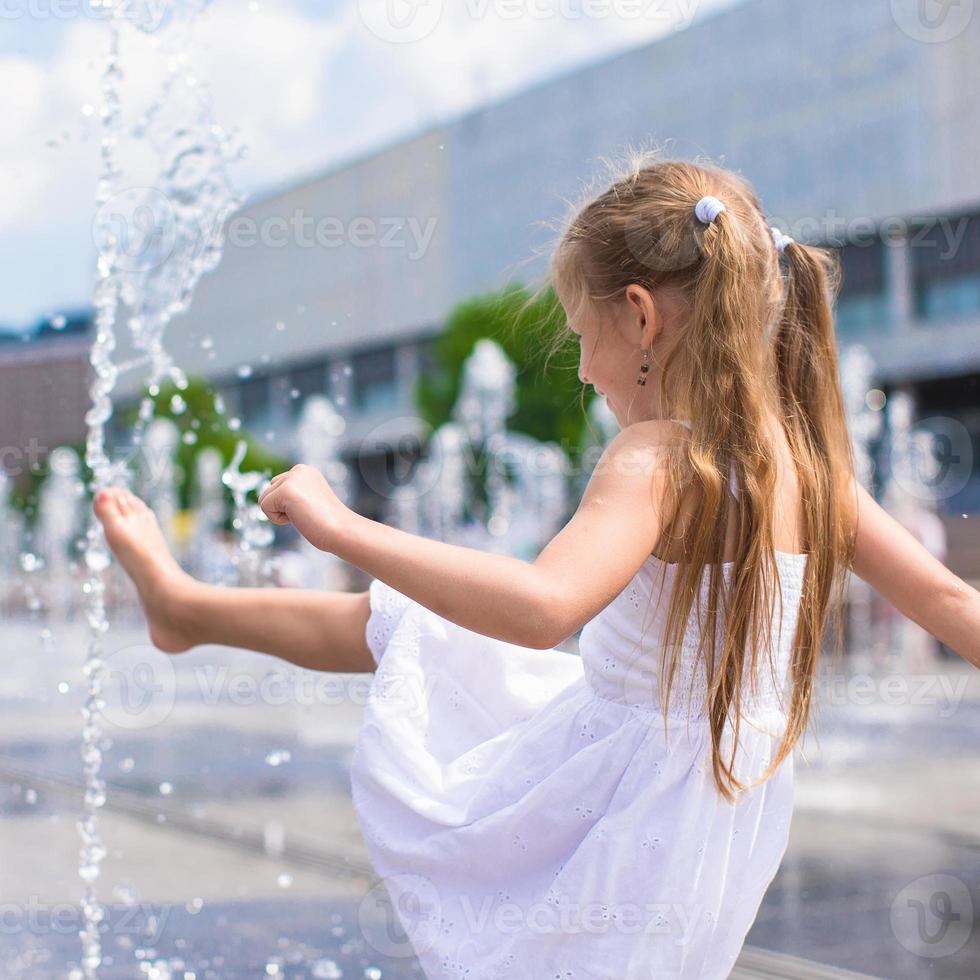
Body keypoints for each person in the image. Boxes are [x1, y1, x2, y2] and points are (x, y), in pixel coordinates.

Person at [93, 152, 980, 979]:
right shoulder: (815, 470)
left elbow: (542, 606)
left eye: (580, 335)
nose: (586, 374)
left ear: (639, 316)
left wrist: (343, 526)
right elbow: (945, 598)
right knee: (410, 627)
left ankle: (184, 608)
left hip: (620, 804)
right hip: (714, 816)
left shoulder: (655, 461)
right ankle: (187, 606)